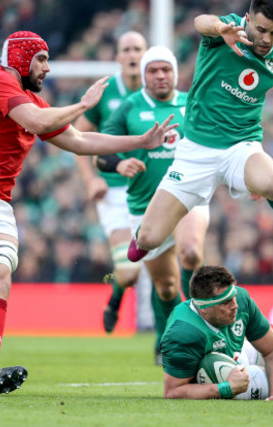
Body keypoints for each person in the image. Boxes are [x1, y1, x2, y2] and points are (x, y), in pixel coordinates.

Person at [0, 30, 178, 396]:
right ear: (21, 59)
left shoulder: (32, 101)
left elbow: (79, 141)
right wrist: (84, 105)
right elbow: (41, 124)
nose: (46, 67)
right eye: (40, 59)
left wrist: (139, 141)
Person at [127, 0, 273, 266]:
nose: (267, 39)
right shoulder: (227, 32)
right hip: (195, 153)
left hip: (241, 147)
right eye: (262, 30)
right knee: (148, 240)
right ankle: (141, 234)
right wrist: (221, 29)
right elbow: (200, 21)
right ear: (248, 19)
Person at [97, 46, 207, 364]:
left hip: (189, 197)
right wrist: (118, 165)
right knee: (166, 285)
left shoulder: (193, 103)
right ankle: (166, 338)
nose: (160, 76)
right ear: (144, 75)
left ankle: (198, 329)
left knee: (190, 252)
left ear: (175, 72)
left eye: (166, 70)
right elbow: (102, 150)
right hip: (144, 205)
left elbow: (222, 142)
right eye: (153, 71)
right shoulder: (130, 107)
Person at [72, 32, 154, 334]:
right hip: (114, 190)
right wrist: (91, 180)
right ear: (118, 58)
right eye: (126, 49)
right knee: (130, 269)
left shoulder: (158, 92)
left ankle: (154, 329)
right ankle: (117, 299)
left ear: (146, 56)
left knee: (156, 264)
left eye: (138, 49)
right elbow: (77, 139)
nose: (132, 55)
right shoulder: (105, 94)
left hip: (151, 190)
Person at [160, 265, 273, 400]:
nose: (235, 306)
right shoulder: (183, 332)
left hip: (237, 355)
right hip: (218, 377)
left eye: (234, 296)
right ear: (204, 308)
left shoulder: (242, 300)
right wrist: (226, 388)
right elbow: (173, 391)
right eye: (226, 302)